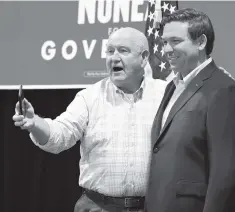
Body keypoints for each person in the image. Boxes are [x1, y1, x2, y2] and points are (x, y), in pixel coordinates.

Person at [12, 27, 167, 212]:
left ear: (144, 58)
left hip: (153, 206)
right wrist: (35, 123)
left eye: (123, 51)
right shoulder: (89, 97)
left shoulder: (166, 94)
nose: (114, 58)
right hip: (98, 207)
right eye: (110, 51)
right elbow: (60, 136)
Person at [145, 8, 235, 212]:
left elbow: (226, 176)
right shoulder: (172, 87)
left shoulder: (224, 92)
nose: (167, 49)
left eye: (175, 41)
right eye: (164, 42)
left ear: (201, 42)